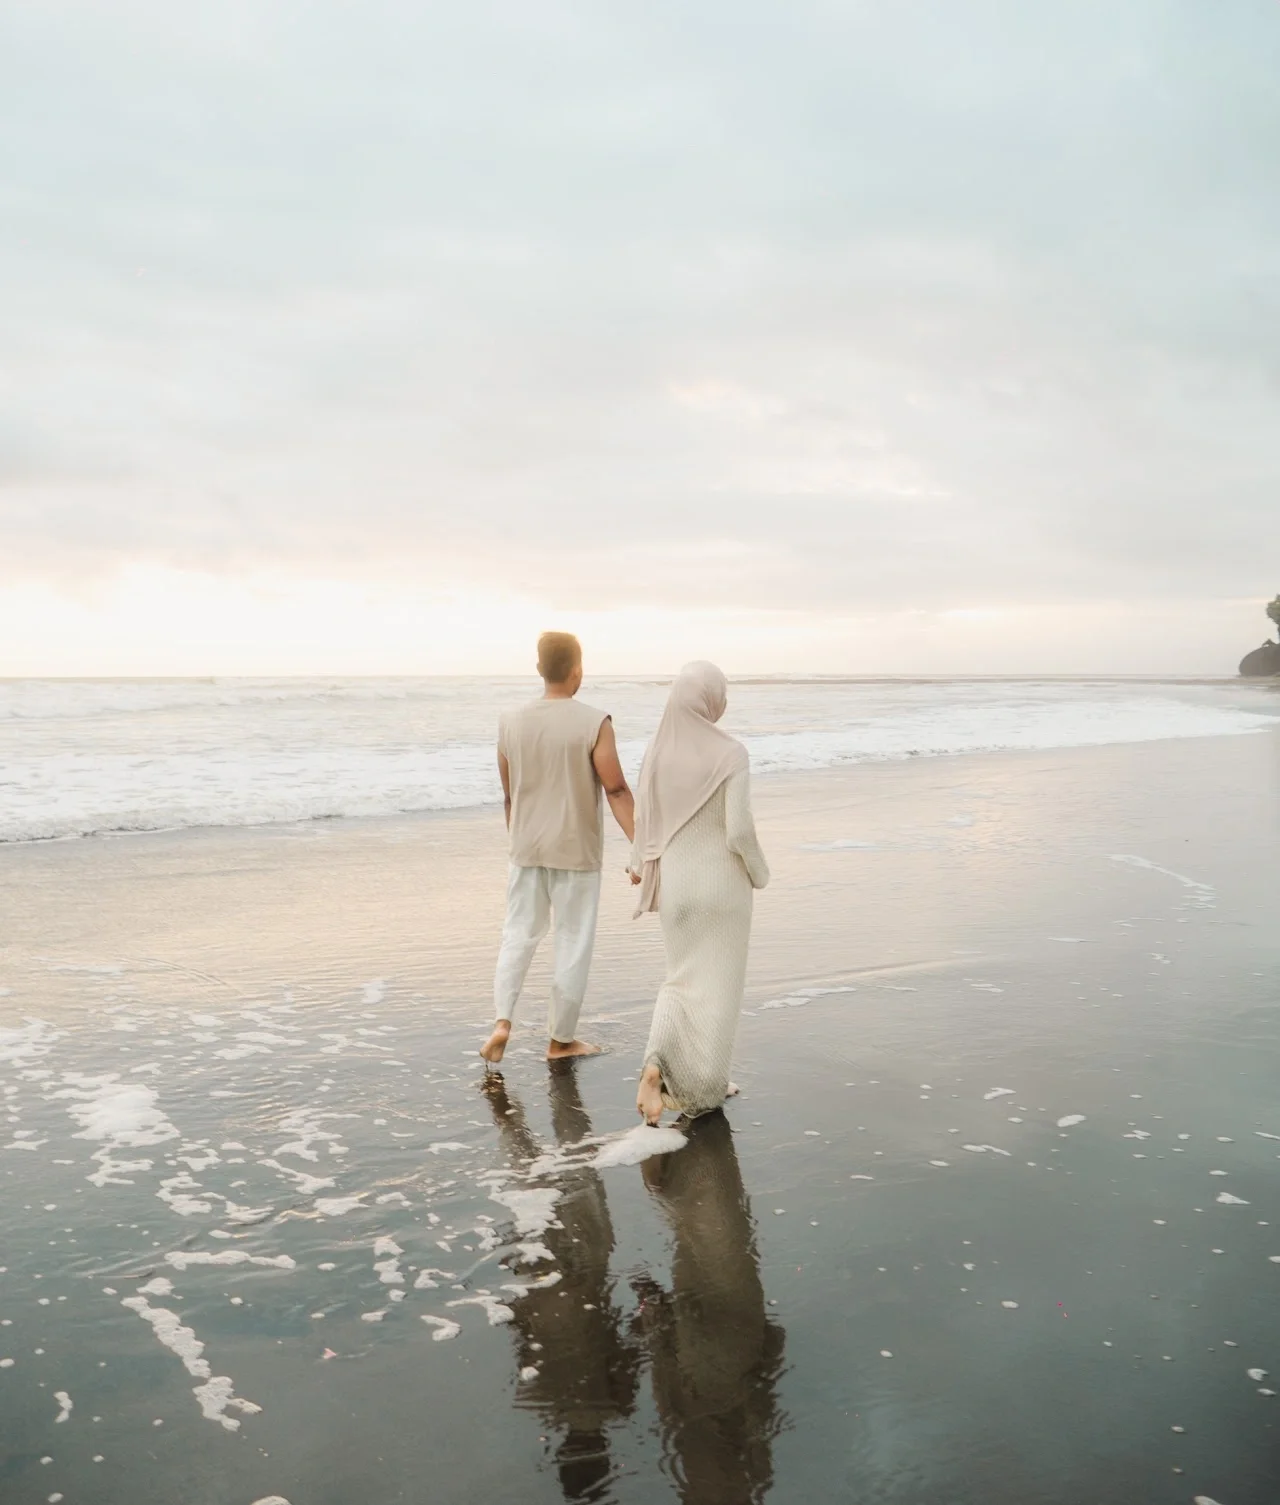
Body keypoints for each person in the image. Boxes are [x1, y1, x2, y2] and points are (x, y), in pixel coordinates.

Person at [481, 632, 635, 1064]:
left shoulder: (509, 720)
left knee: (518, 934)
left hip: (526, 847)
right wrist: (644, 847)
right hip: (576, 850)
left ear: (539, 669)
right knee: (572, 941)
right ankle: (560, 1040)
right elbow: (617, 789)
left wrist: (520, 844)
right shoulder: (594, 721)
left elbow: (510, 795)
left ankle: (502, 1022)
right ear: (577, 670)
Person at [629, 661, 769, 1123]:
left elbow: (645, 821)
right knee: (718, 990)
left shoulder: (656, 751)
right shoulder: (731, 753)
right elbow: (739, 833)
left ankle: (656, 1067)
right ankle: (706, 1085)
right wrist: (760, 874)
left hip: (677, 888)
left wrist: (638, 865)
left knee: (680, 979)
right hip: (722, 889)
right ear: (712, 699)